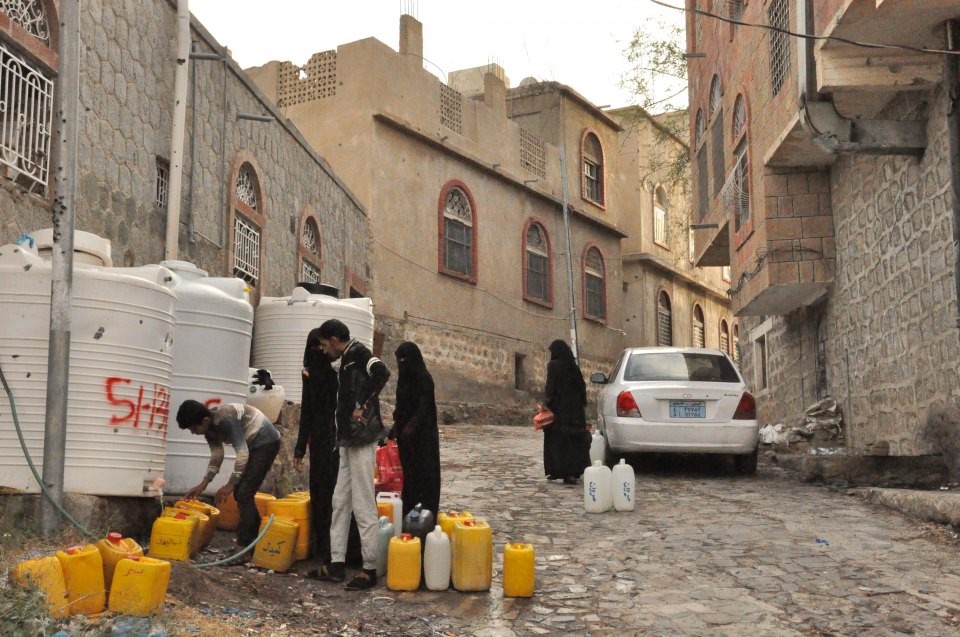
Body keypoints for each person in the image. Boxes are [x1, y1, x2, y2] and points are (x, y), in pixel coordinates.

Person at [315, 319, 390, 590]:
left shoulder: (359, 354)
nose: (324, 351)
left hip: (362, 438)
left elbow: (382, 372)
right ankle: (337, 564)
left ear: (335, 340)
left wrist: (361, 404)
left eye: (325, 345)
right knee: (340, 501)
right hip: (347, 440)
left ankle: (369, 569)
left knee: (363, 502)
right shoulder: (346, 360)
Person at [178, 400, 281, 550]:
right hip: (252, 445)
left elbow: (242, 452)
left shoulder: (224, 419)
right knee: (242, 493)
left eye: (194, 428)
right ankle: (256, 540)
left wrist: (231, 483)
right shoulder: (209, 428)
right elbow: (217, 455)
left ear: (205, 420)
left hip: (266, 441)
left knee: (244, 493)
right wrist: (204, 484)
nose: (193, 432)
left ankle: (246, 545)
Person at [294, 327, 340, 576]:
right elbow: (307, 413)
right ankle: (324, 548)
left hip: (332, 441)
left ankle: (333, 550)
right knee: (321, 496)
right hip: (322, 443)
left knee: (333, 497)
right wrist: (300, 448)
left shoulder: (334, 374)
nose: (318, 353)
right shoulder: (311, 374)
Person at [390, 341, 441, 518]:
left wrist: (411, 426)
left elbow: (424, 407)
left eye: (404, 359)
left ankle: (426, 513)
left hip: (423, 438)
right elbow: (401, 406)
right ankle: (409, 512)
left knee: (425, 475)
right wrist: (396, 427)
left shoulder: (424, 378)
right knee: (409, 476)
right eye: (398, 360)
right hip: (406, 441)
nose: (400, 364)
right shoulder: (403, 379)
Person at [543, 339, 591, 484]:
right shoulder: (574, 367)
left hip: (559, 411)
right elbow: (582, 388)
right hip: (576, 412)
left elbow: (551, 387)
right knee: (575, 441)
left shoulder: (553, 366)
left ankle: (556, 471)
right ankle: (573, 472)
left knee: (558, 442)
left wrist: (547, 403)